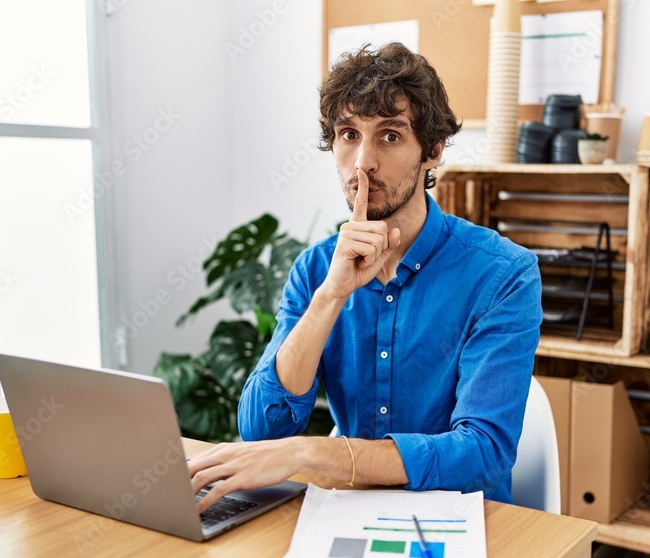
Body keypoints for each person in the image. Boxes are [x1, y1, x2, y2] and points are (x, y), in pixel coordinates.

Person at [189, 42, 541, 510]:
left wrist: (319, 451)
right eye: (348, 134)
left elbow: (482, 453)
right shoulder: (316, 269)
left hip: (459, 521)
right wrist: (331, 296)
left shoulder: (503, 275)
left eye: (389, 136)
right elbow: (262, 430)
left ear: (433, 150)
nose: (362, 163)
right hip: (346, 513)